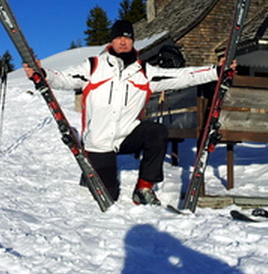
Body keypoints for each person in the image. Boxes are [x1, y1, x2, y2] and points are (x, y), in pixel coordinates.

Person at [24, 20, 233, 206]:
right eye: (118, 37)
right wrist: (42, 74)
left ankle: (143, 188)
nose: (123, 41)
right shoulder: (94, 66)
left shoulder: (144, 71)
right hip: (99, 140)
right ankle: (90, 170)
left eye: (127, 37)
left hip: (127, 135)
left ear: (133, 41)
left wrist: (216, 71)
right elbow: (64, 78)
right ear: (111, 41)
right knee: (107, 196)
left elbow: (181, 76)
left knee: (156, 131)